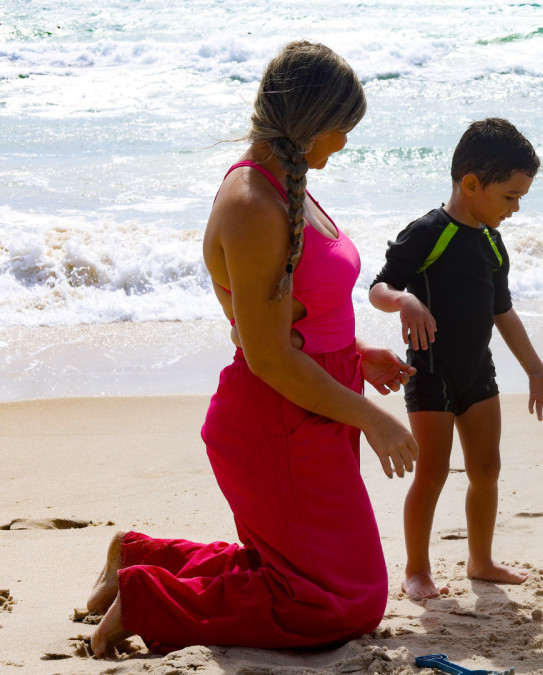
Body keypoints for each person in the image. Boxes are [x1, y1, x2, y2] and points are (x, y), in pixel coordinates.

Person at [86, 41, 419, 658]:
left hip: (316, 407)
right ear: (308, 121)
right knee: (341, 603)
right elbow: (268, 356)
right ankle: (145, 599)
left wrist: (355, 351)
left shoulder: (291, 184)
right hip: (278, 423)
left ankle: (141, 557)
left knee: (314, 581)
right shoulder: (251, 203)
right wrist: (373, 418)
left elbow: (304, 313)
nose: (342, 144)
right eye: (339, 129)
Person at [368, 118, 543, 599]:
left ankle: (480, 560)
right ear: (472, 184)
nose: (515, 209)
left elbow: (503, 313)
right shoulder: (428, 232)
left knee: (486, 470)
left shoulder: (494, 243)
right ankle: (416, 569)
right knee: (431, 474)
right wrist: (404, 301)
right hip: (430, 374)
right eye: (510, 197)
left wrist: (536, 370)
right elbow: (378, 288)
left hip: (480, 375)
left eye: (520, 199)